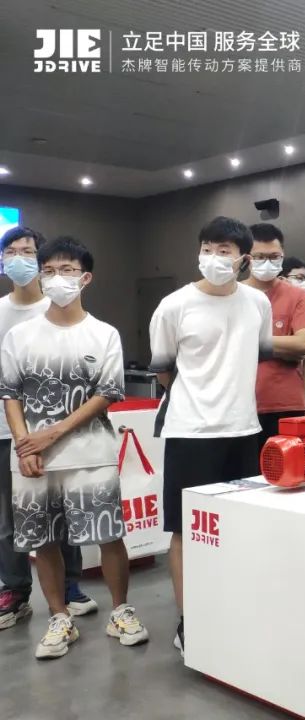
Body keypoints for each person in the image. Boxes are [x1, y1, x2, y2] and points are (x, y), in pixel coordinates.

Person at [1, 236, 149, 658]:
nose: (56, 278)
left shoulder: (103, 334)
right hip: (33, 459)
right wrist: (25, 445)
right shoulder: (19, 336)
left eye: (67, 270)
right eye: (48, 270)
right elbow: (10, 393)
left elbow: (106, 394)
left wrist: (50, 434)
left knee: (108, 535)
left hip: (91, 453)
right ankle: (59, 617)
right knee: (43, 540)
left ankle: (120, 610)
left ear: (86, 278)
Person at [149, 216, 272, 657]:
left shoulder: (257, 302)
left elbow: (259, 355)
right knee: (186, 530)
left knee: (238, 527)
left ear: (243, 259)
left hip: (244, 430)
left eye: (225, 251)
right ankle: (190, 621)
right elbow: (163, 370)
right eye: (208, 248)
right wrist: (199, 400)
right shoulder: (174, 305)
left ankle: (233, 609)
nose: (215, 258)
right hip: (190, 432)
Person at [0, 227, 95, 630]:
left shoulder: (58, 307)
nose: (19, 258)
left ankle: (70, 587)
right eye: (11, 252)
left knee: (63, 513)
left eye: (27, 251)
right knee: (9, 519)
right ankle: (15, 590)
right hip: (6, 431)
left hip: (56, 430)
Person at [243, 224, 305, 447]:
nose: (267, 262)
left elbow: (304, 343)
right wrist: (285, 349)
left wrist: (246, 342)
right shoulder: (232, 294)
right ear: (246, 258)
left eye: (274, 256)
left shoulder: (297, 296)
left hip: (285, 405)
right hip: (239, 405)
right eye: (259, 257)